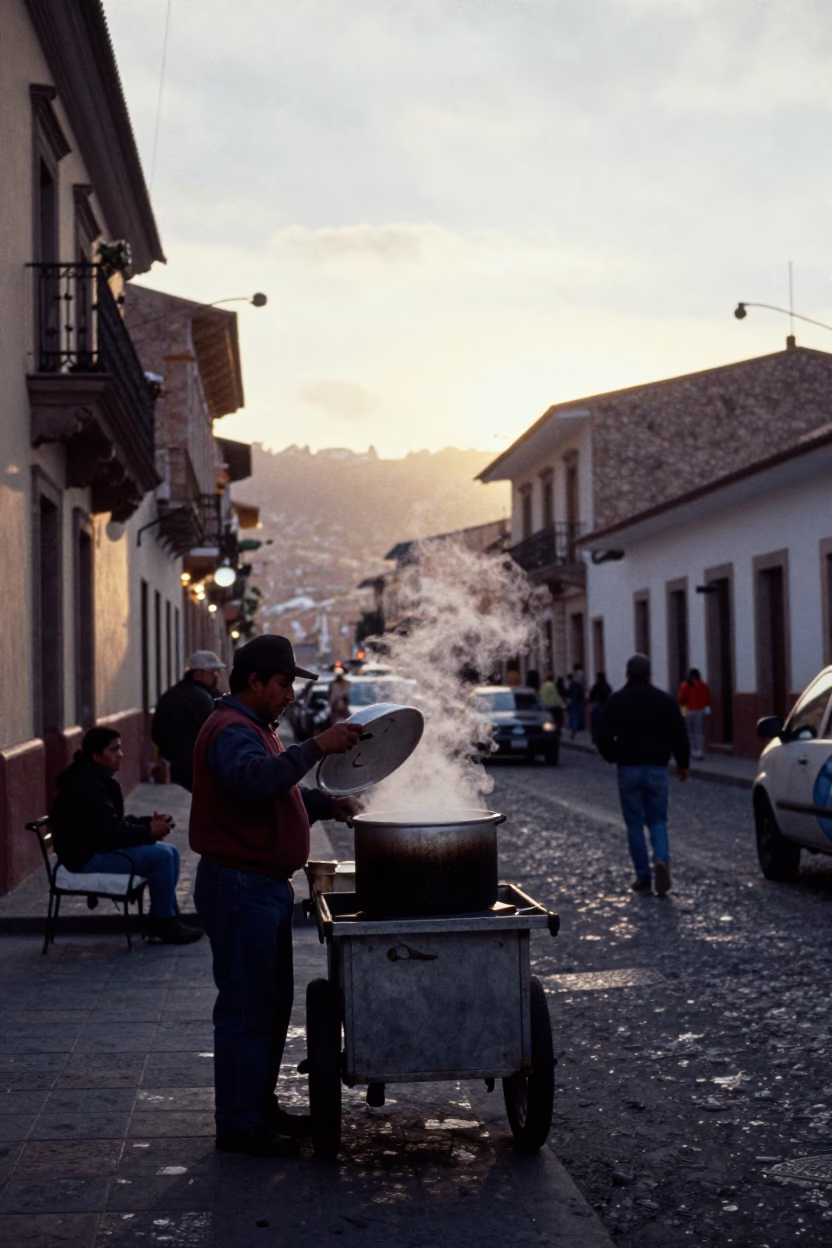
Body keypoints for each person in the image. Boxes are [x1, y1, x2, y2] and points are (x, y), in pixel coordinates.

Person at [190, 634, 365, 1158]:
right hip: (240, 884)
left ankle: (258, 1109)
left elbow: (276, 791)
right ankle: (240, 1124)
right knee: (248, 1008)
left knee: (269, 1004)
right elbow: (251, 782)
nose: (289, 693)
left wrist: (322, 804)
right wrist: (316, 747)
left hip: (260, 886)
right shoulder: (230, 730)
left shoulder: (255, 728)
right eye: (284, 682)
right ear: (255, 682)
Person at [50, 726, 200, 944]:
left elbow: (110, 823)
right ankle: (163, 923)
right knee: (162, 856)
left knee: (170, 853)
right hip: (84, 858)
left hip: (95, 849)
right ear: (96, 755)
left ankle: (166, 920)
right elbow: (111, 833)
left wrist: (148, 823)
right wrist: (148, 832)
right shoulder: (86, 786)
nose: (120, 755)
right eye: (114, 750)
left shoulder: (93, 777)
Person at [597, 654, 690, 897]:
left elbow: (602, 734)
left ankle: (643, 877)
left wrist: (613, 756)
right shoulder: (664, 700)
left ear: (627, 675)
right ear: (649, 674)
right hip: (657, 768)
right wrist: (683, 763)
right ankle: (661, 858)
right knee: (658, 819)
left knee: (634, 824)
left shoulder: (617, 701)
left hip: (628, 768)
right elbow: (679, 732)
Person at [152, 651, 225, 791]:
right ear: (198, 674)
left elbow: (156, 731)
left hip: (176, 767)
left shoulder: (169, 695)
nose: (216, 677)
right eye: (213, 672)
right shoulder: (205, 699)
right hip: (201, 767)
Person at [677, 667, 712, 761]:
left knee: (689, 732)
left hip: (688, 711)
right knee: (698, 732)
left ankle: (693, 751)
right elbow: (707, 698)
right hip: (700, 710)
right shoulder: (704, 686)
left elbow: (681, 699)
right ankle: (700, 751)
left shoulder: (685, 686)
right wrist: (707, 709)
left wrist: (683, 713)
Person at [589, 670, 612, 746]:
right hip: (605, 706)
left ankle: (595, 739)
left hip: (597, 705)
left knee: (595, 724)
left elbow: (591, 696)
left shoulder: (596, 686)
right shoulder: (606, 686)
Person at [567, 665, 586, 737]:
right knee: (578, 712)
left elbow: (570, 693)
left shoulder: (573, 683)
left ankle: (574, 728)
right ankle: (578, 727)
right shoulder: (582, 674)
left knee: (573, 714)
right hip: (579, 698)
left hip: (575, 699)